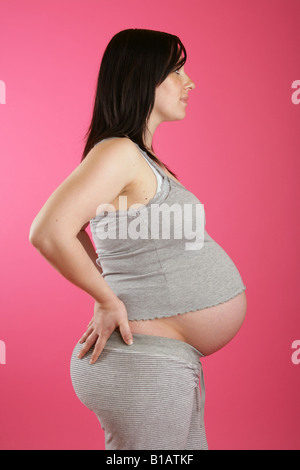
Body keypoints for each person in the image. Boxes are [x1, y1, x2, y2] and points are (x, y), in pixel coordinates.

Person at [29, 28, 247, 450]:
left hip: (163, 361)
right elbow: (49, 231)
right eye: (177, 71)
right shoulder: (119, 153)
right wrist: (107, 299)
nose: (190, 82)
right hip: (143, 364)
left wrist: (104, 288)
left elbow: (74, 229)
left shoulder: (137, 157)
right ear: (143, 77)